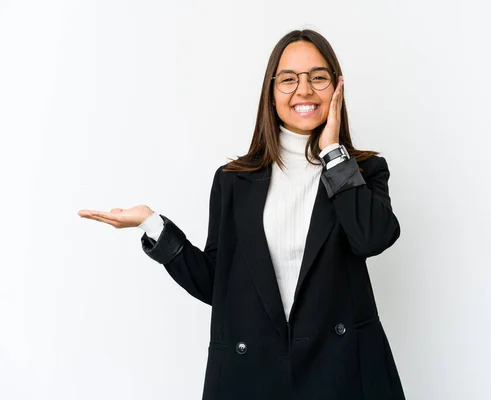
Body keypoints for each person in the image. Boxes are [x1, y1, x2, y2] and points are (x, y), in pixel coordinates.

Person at [78, 29, 405, 400]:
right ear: (270, 92)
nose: (304, 90)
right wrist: (152, 223)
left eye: (318, 77)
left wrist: (332, 153)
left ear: (337, 87)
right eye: (288, 79)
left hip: (343, 372)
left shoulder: (362, 169)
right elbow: (216, 283)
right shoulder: (234, 181)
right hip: (254, 375)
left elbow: (372, 237)